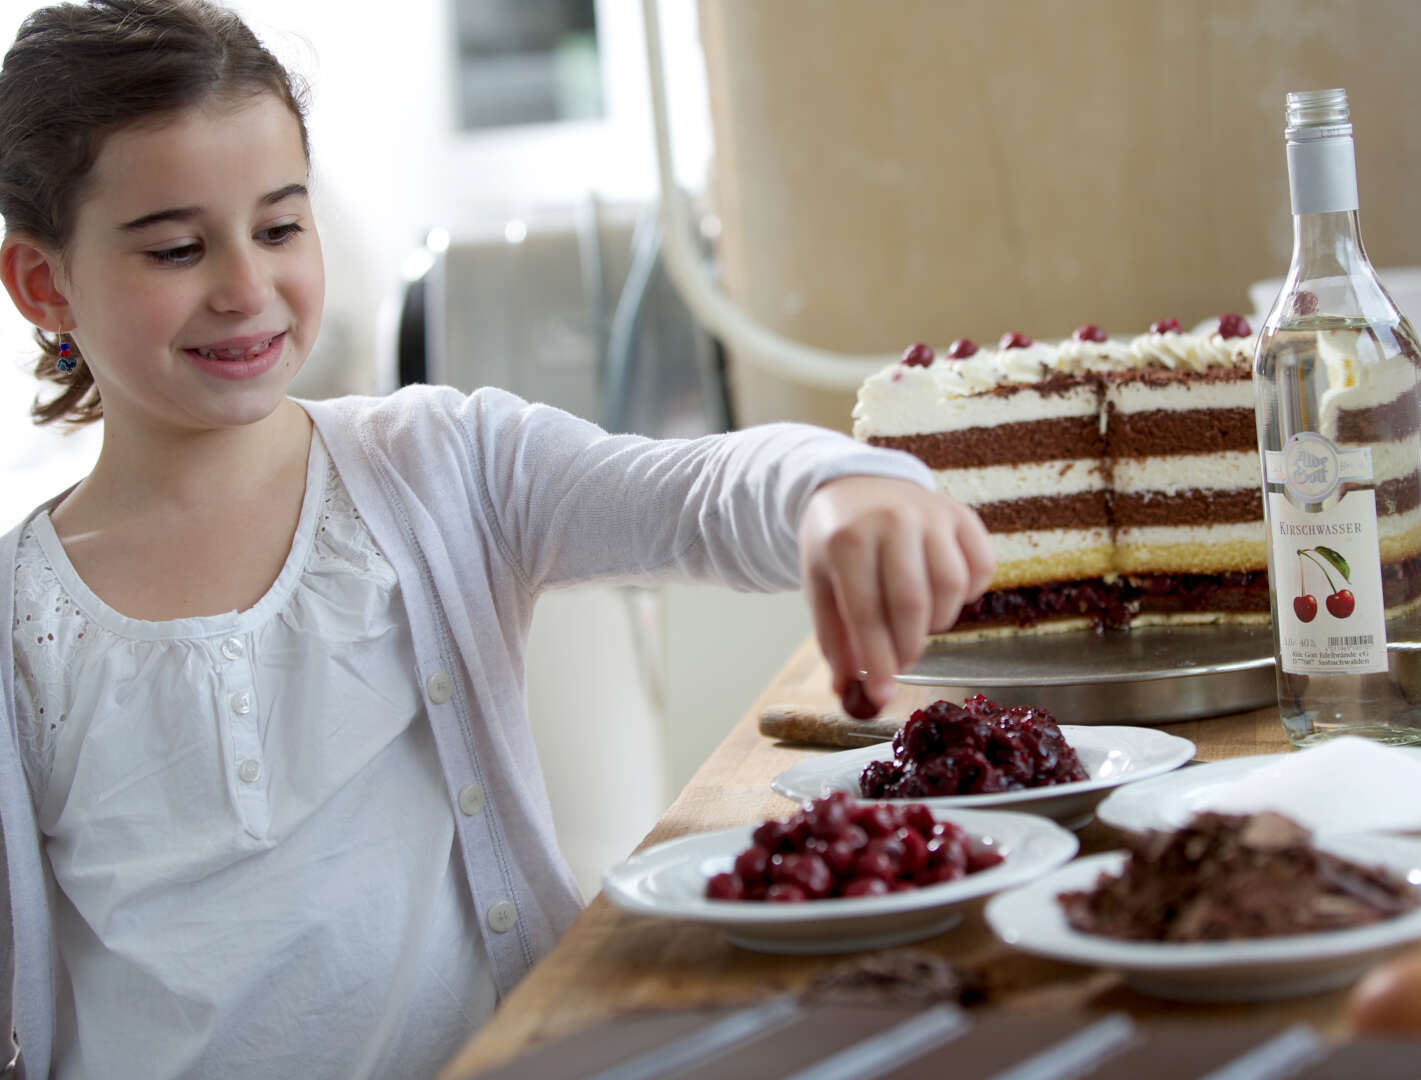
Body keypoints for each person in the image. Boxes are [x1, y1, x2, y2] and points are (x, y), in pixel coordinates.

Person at [0, 1, 994, 1077]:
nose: (246, 288)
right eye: (179, 248)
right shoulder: (24, 620)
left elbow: (699, 491)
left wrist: (839, 490)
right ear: (44, 283)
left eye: (281, 227)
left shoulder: (445, 464)